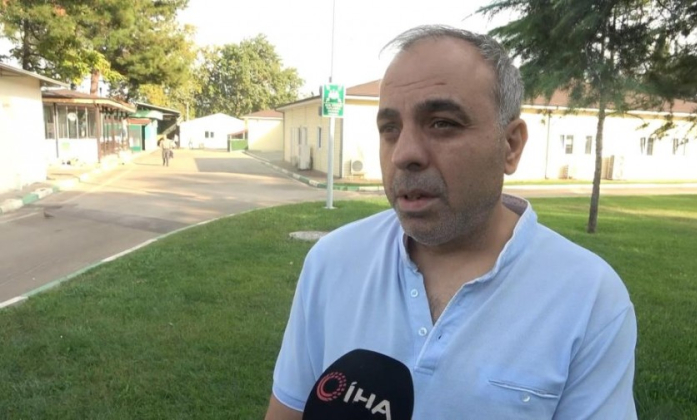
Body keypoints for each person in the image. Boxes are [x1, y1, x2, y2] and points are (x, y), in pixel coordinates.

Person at [265, 25, 637, 420]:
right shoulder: (332, 262)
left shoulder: (589, 297)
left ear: (510, 146)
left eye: (442, 123)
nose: (404, 154)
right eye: (390, 129)